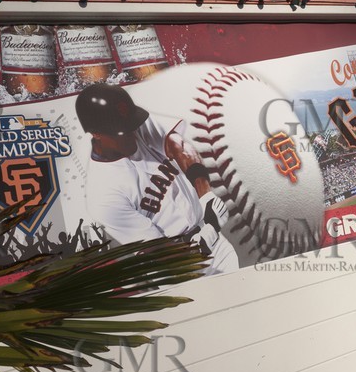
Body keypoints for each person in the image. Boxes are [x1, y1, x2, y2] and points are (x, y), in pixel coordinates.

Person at [75, 83, 238, 275]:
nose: (130, 135)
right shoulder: (103, 195)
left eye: (130, 127)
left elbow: (178, 144)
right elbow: (156, 250)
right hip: (180, 267)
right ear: (96, 133)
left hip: (216, 243)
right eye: (122, 132)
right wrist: (204, 239)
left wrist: (206, 195)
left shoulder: (139, 128)